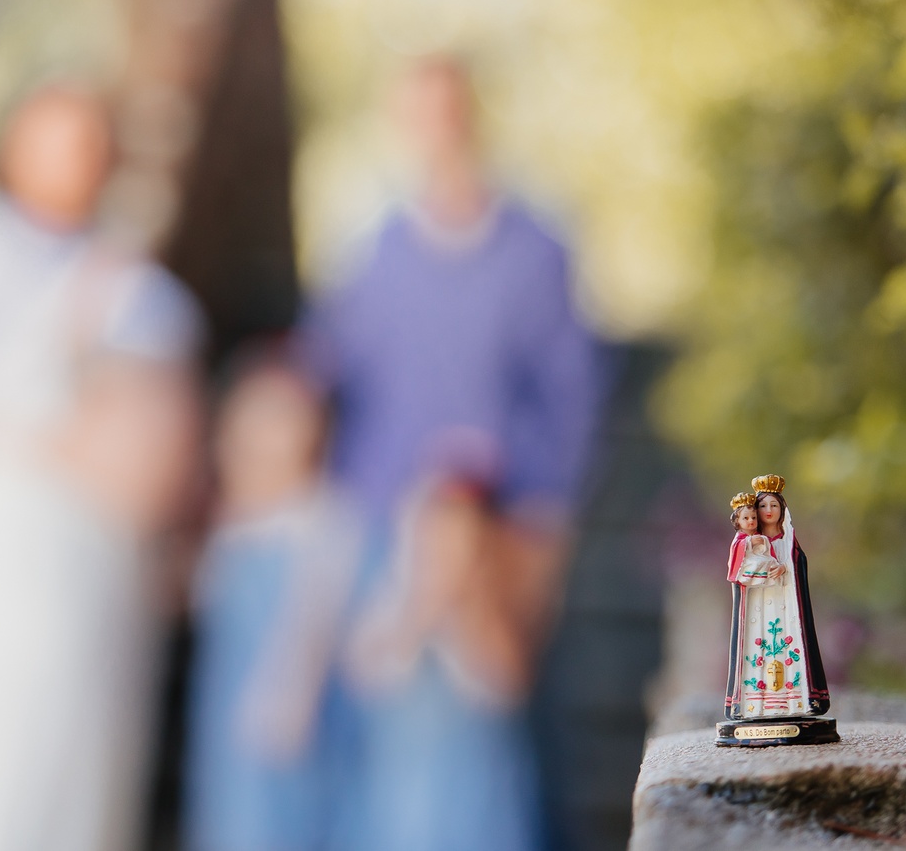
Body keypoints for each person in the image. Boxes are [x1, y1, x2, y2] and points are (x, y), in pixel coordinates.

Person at [299, 56, 600, 851]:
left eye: (448, 108)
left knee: (503, 725)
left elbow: (569, 396)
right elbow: (327, 373)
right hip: (385, 524)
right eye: (417, 111)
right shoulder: (372, 253)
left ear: (473, 114)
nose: (436, 128)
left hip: (497, 529)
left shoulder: (536, 249)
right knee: (385, 730)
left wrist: (545, 523)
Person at [0, 82, 204, 851]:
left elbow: (169, 367)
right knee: (12, 755)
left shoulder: (130, 270)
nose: (79, 159)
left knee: (97, 763)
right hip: (22, 550)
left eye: (91, 142)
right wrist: (73, 408)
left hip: (113, 561)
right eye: (59, 140)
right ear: (14, 149)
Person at [183, 351, 361, 851]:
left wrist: (292, 693)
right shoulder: (230, 527)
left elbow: (312, 623)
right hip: (228, 718)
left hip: (288, 725)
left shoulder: (321, 522)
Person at [724, 475, 831, 719]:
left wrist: (786, 567)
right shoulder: (748, 541)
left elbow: (798, 565)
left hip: (786, 606)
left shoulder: (788, 541)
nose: (768, 510)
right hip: (758, 607)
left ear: (782, 509)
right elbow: (737, 570)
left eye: (774, 505)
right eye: (762, 505)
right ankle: (756, 704)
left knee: (787, 646)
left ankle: (794, 701)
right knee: (759, 648)